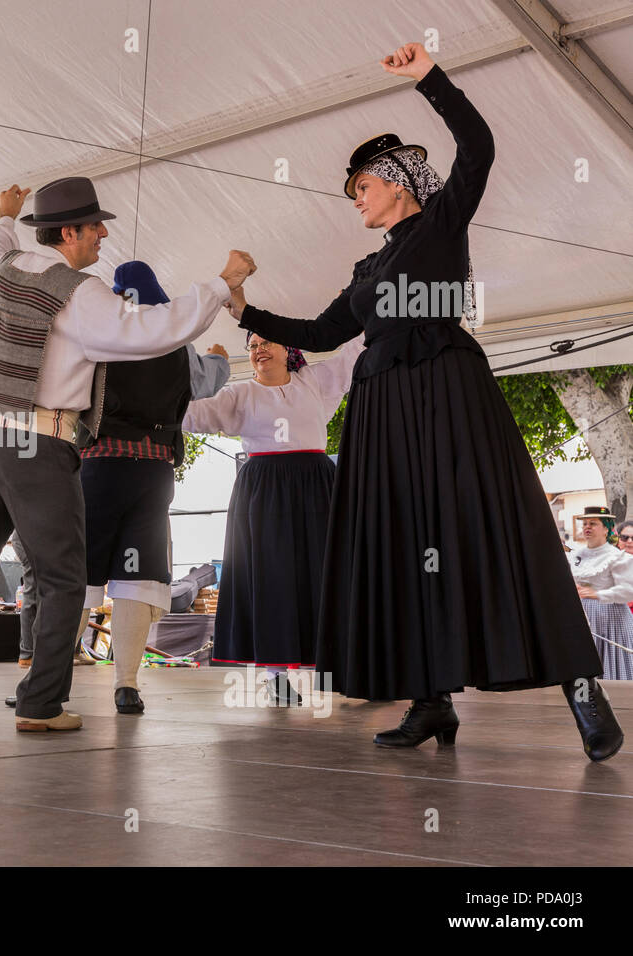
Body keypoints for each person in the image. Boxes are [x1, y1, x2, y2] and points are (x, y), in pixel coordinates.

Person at [229, 43, 621, 759]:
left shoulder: (441, 224)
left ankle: (585, 696)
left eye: (362, 189)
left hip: (448, 394)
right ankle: (430, 704)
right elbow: (321, 332)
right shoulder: (368, 267)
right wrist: (247, 312)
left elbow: (479, 144)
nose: (356, 202)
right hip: (382, 409)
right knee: (402, 547)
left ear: (397, 181)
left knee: (504, 531)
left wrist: (428, 80)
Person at [0, 176, 256, 731]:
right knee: (63, 574)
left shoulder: (5, 270)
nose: (102, 234)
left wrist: (4, 215)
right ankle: (41, 704)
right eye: (94, 226)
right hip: (37, 444)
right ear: (69, 232)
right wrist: (221, 281)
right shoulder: (82, 292)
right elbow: (156, 330)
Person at [79, 260, 233, 715]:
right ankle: (126, 686)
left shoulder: (101, 338)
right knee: (137, 579)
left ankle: (47, 681)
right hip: (152, 475)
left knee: (77, 574)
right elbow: (206, 381)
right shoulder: (174, 339)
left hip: (98, 469)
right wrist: (222, 357)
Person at [183, 329, 365, 704]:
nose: (258, 350)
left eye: (266, 342)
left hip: (317, 485)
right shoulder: (239, 393)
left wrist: (373, 307)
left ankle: (338, 668)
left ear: (288, 348)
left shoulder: (314, 381)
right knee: (272, 577)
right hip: (264, 491)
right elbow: (191, 415)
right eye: (252, 346)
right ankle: (276, 676)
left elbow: (352, 354)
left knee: (326, 573)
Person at [569, 507, 633, 680]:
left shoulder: (618, 557)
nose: (587, 527)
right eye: (585, 524)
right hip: (582, 615)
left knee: (610, 662)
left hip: (610, 616)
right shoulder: (576, 556)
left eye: (593, 524)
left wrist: (598, 594)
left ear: (606, 529)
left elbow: (628, 591)